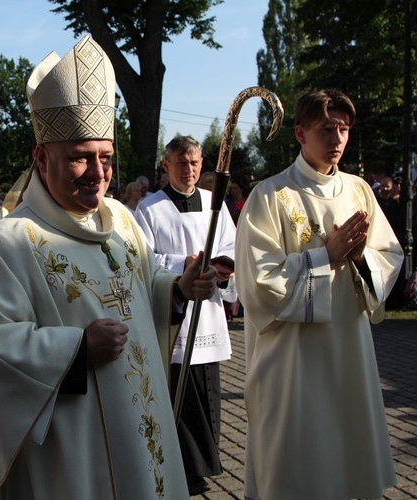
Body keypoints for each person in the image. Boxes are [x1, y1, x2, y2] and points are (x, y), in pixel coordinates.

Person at [0, 36, 218, 500]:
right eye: (80, 157)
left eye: (106, 158)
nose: (97, 172)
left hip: (142, 432)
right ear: (41, 157)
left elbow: (140, 289)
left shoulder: (121, 223)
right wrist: (76, 348)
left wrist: (176, 289)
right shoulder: (11, 243)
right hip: (71, 452)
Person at [234, 89, 403, 500]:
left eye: (344, 129)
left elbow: (389, 255)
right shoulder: (271, 196)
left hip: (348, 347)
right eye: (326, 129)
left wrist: (361, 260)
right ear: (300, 133)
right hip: (292, 359)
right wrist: (324, 257)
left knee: (347, 461)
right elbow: (257, 282)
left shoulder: (359, 190)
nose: (338, 139)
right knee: (295, 467)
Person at [135, 135, 237, 495]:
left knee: (207, 388)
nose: (189, 169)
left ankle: (205, 463)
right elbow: (144, 261)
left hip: (207, 312)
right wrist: (187, 266)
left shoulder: (215, 203)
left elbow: (230, 245)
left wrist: (221, 267)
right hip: (175, 314)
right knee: (179, 389)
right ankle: (182, 467)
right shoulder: (149, 209)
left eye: (194, 162)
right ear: (167, 165)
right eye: (181, 162)